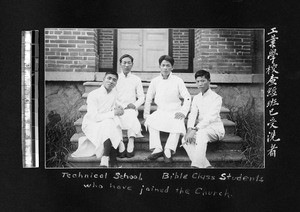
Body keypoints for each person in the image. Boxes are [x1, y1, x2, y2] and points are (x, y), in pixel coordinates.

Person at [143, 55, 191, 163]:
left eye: (168, 65)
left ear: (172, 68)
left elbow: (187, 97)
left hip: (175, 111)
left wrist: (183, 112)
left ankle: (168, 149)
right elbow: (148, 99)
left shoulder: (178, 80)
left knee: (178, 122)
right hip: (161, 111)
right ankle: (157, 148)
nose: (165, 68)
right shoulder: (155, 81)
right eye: (163, 65)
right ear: (159, 67)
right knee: (150, 120)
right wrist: (146, 115)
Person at [71, 71, 123, 167]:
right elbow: (94, 117)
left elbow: (116, 106)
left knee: (110, 123)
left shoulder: (114, 94)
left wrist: (119, 109)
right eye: (109, 78)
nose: (111, 81)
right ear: (103, 79)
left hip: (107, 121)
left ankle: (106, 158)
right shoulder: (93, 94)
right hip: (92, 123)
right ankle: (112, 157)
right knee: (109, 124)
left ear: (116, 83)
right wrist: (113, 113)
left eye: (114, 80)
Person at [182, 70, 225, 168]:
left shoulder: (216, 98)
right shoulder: (196, 98)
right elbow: (192, 114)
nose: (200, 84)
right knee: (185, 140)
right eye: (197, 81)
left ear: (209, 81)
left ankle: (196, 166)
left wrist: (195, 129)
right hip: (200, 129)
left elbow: (211, 117)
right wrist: (189, 129)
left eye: (203, 81)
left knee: (201, 133)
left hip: (215, 129)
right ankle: (206, 166)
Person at [116, 54, 145, 158]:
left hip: (131, 107)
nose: (126, 65)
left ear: (132, 65)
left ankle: (131, 141)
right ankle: (120, 143)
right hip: (118, 106)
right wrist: (118, 106)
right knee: (115, 118)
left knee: (132, 115)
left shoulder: (136, 79)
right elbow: (111, 95)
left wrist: (134, 104)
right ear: (120, 64)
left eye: (129, 63)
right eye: (124, 62)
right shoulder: (116, 78)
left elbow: (141, 97)